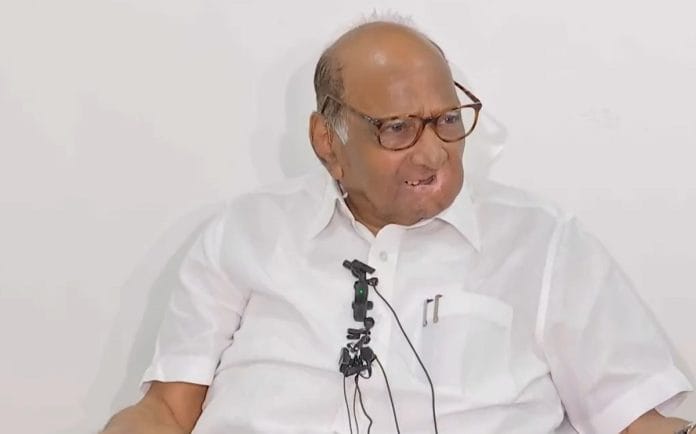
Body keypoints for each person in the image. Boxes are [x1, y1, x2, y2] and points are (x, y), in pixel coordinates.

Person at [102, 17, 694, 434]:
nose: (433, 153)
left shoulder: (544, 246)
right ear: (326, 141)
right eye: (397, 129)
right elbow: (168, 410)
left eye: (447, 120)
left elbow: (636, 422)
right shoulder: (246, 232)